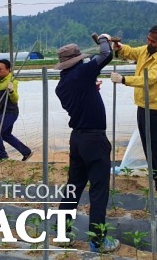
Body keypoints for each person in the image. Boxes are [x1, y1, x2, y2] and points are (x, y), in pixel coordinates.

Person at [54, 35, 120, 253]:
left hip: (78, 140)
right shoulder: (82, 73)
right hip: (94, 139)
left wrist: (91, 88)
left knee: (73, 188)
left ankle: (63, 236)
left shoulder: (62, 85)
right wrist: (104, 39)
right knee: (99, 190)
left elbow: (81, 94)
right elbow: (106, 54)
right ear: (77, 61)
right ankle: (98, 241)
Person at [110, 25, 157, 192]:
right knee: (149, 147)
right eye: (148, 39)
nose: (149, 43)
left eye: (153, 41)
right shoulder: (147, 51)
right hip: (142, 105)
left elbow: (149, 79)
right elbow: (132, 52)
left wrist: (124, 79)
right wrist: (120, 48)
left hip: (155, 108)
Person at [0, 59, 32, 163]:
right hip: (2, 112)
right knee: (5, 135)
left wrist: (11, 91)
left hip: (10, 112)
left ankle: (2, 155)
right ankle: (26, 152)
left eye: (0, 69)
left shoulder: (12, 81)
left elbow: (15, 99)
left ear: (8, 69)